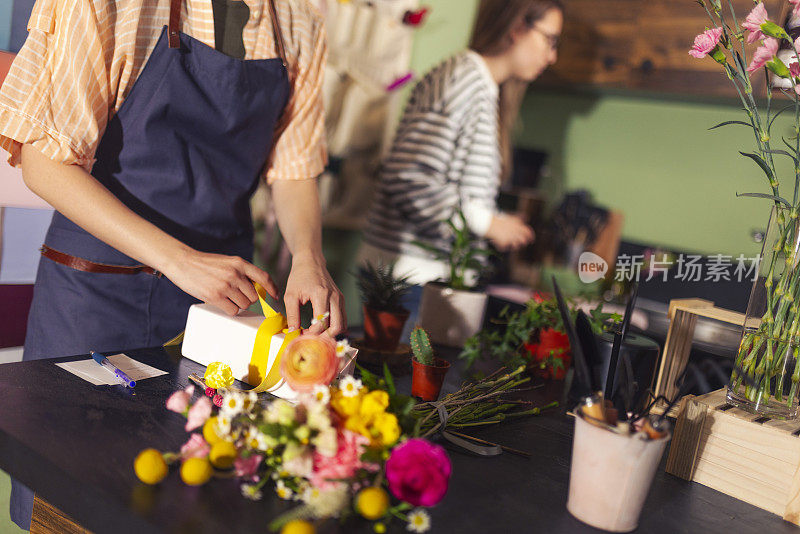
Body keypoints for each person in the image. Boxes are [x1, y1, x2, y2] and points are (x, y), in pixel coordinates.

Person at [0, 0, 344, 528]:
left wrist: (309, 258)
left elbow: (294, 167)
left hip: (220, 315)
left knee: (193, 502)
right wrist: (179, 259)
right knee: (72, 504)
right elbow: (44, 164)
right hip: (95, 299)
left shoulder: (299, 16)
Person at [360, 0, 563, 331]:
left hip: (426, 280)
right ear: (516, 29)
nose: (552, 56)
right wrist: (487, 223)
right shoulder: (461, 79)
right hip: (410, 280)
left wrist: (493, 221)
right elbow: (408, 178)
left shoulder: (481, 87)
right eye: (550, 40)